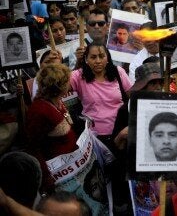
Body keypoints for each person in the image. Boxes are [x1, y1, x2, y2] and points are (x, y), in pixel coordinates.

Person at [25, 63, 78, 192]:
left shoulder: (57, 101)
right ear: (60, 86)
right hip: (57, 174)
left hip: (71, 165)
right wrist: (47, 177)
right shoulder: (39, 110)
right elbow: (33, 147)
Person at [70, 43, 131, 140]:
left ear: (107, 57)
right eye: (93, 57)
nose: (98, 61)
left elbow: (133, 97)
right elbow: (59, 85)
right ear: (86, 59)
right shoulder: (78, 76)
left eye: (102, 56)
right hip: (93, 137)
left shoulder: (118, 72)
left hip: (120, 133)